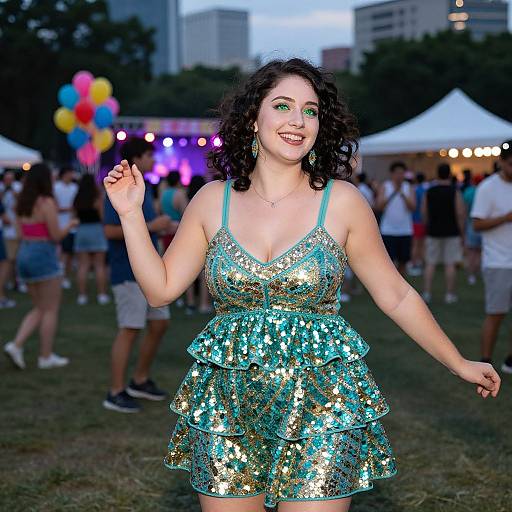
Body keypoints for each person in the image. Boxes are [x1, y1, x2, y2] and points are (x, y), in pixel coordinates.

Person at [104, 59, 500, 512]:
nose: (297, 121)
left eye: (310, 111)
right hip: (227, 404)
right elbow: (161, 290)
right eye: (283, 106)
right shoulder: (212, 201)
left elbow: (397, 294)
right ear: (254, 119)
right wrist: (132, 215)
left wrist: (458, 362)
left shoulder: (343, 202)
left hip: (323, 402)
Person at [102, 137, 176, 413]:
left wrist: (164, 225)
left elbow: (147, 228)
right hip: (126, 271)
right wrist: (152, 225)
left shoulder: (144, 186)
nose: (153, 161)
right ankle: (115, 391)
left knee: (160, 324)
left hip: (150, 272)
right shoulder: (119, 184)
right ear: (137, 158)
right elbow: (109, 231)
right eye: (149, 155)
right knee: (130, 328)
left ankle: (139, 380)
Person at [3, 163, 76, 370]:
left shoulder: (22, 203)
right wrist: (69, 225)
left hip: (24, 253)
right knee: (50, 309)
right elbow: (55, 236)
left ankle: (16, 345)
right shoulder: (46, 203)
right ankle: (45, 356)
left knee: (40, 308)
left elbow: (19, 234)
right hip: (43, 254)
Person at [471, 141, 512, 373]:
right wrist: (505, 218)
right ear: (502, 162)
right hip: (498, 261)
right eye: (511, 164)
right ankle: (485, 360)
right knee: (496, 313)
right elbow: (476, 224)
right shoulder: (488, 187)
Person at [421, 163, 465, 304]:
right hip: (451, 231)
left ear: (437, 173)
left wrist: (428, 225)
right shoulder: (455, 191)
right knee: (450, 264)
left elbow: (424, 213)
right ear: (449, 174)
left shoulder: (429, 191)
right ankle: (450, 294)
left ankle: (427, 293)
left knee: (430, 263)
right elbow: (460, 213)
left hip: (433, 231)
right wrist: (462, 232)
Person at [73, 174, 109, 305]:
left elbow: (74, 215)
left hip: (82, 231)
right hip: (96, 230)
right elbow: (102, 216)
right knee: (99, 265)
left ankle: (82, 296)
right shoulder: (97, 197)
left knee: (83, 266)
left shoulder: (77, 197)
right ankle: (102, 295)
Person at [376, 161, 416, 276]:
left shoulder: (408, 187)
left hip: (405, 230)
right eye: (397, 173)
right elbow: (379, 206)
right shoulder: (385, 186)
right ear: (392, 174)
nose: (400, 176)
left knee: (403, 261)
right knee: (389, 261)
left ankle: (401, 283)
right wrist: (393, 193)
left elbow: (413, 207)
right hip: (388, 230)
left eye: (402, 173)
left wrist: (402, 194)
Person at [53, 166, 78, 289]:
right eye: (69, 172)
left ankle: (65, 277)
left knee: (69, 254)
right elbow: (55, 207)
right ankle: (60, 278)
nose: (71, 175)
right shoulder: (56, 187)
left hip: (73, 227)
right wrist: (70, 209)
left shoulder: (74, 187)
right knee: (62, 254)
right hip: (60, 226)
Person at [0, 170, 24, 292]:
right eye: (7, 179)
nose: (9, 181)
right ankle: (10, 281)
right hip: (6, 230)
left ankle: (18, 281)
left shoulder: (18, 187)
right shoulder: (1, 188)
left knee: (17, 257)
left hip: (16, 227)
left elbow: (22, 203)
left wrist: (14, 193)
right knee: (9, 259)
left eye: (11, 179)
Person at [462, 172, 482, 285]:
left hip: (471, 224)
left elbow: (464, 210)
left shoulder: (468, 192)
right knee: (479, 252)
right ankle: (477, 271)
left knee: (471, 253)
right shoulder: (484, 191)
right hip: (482, 224)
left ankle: (471, 275)